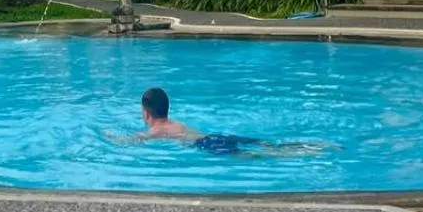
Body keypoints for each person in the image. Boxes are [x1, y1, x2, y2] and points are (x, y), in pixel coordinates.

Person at [131, 87, 337, 158]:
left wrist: (107, 135)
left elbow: (131, 141)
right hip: (217, 136)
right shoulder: (176, 123)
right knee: (268, 145)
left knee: (259, 156)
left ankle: (309, 152)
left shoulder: (156, 131)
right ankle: (317, 146)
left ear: (146, 114)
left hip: (208, 145)